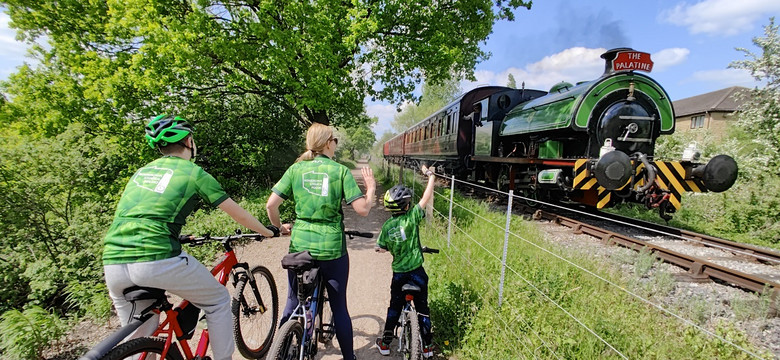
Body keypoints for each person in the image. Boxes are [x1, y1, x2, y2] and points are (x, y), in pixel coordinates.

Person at [102, 114, 280, 360]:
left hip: (113, 263)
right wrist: (268, 231)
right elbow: (237, 214)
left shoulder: (140, 173)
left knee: (143, 336)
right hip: (156, 258)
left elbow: (142, 216)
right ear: (188, 141)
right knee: (218, 300)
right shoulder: (193, 172)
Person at [266, 123, 375, 360]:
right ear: (328, 143)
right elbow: (363, 210)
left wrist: (280, 227)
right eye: (335, 140)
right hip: (332, 249)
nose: (336, 144)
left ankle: (281, 350)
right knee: (339, 307)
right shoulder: (340, 171)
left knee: (293, 301)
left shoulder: (296, 170)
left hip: (300, 246)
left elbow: (271, 205)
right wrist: (371, 188)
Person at [374, 165, 437, 358]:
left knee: (394, 307)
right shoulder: (412, 218)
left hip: (399, 274)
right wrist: (431, 177)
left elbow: (381, 246)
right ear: (407, 206)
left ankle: (385, 343)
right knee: (423, 308)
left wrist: (383, 248)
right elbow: (425, 198)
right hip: (417, 272)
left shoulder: (386, 227)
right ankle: (426, 347)